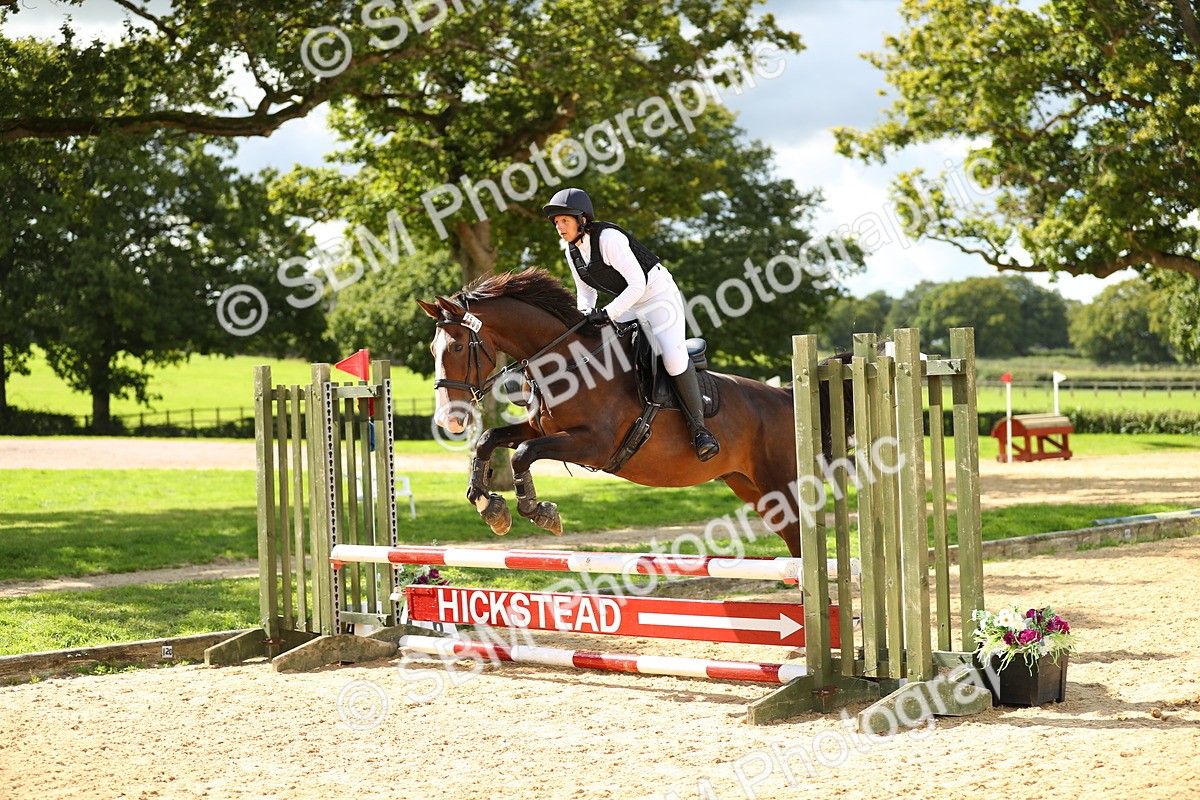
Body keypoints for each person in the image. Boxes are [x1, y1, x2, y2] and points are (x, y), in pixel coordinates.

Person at [541, 187, 720, 462]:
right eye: (556, 222)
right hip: (628, 302)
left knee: (672, 359)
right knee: (597, 344)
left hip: (658, 297)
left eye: (564, 220)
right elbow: (586, 292)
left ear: (582, 219)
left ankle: (700, 431)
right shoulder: (572, 251)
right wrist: (584, 318)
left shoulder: (609, 238)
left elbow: (639, 283)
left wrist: (609, 313)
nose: (559, 227)